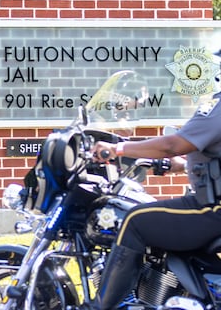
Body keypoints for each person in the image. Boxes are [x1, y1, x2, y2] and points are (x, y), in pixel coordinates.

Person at [87, 87, 221, 310]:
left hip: (212, 209)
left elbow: (172, 144)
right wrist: (178, 165)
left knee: (135, 219)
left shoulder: (216, 109)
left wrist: (116, 148)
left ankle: (100, 307)